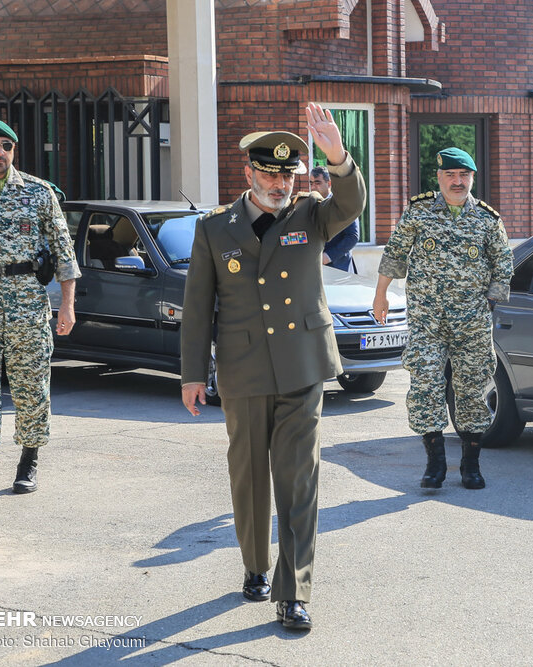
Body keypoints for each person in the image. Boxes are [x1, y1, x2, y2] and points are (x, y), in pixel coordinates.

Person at [180, 103, 366, 631]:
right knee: (249, 478)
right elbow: (198, 308)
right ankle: (256, 567)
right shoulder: (216, 228)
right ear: (248, 173)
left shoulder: (312, 213)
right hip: (242, 370)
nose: (280, 183)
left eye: (287, 173)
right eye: (270, 172)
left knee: (298, 479)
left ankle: (294, 590)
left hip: (303, 366)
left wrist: (336, 154)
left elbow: (352, 201)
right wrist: (194, 373)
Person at [0, 118, 79, 511]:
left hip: (28, 303)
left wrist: (68, 305)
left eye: (6, 146)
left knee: (31, 387)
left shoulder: (39, 194)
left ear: (14, 151)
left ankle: (29, 461)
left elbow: (64, 253)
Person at [372, 147, 513, 490]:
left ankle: (471, 464)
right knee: (425, 388)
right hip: (427, 322)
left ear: (472, 179)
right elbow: (395, 253)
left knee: (473, 391)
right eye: (450, 175)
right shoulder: (419, 212)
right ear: (438, 178)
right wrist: (380, 295)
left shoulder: (487, 219)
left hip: (472, 324)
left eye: (464, 176)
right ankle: (435, 464)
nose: (457, 181)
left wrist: (488, 305)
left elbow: (504, 266)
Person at [310, 165, 360, 273]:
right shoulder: (310, 205)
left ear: (329, 184)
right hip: (315, 269)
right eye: (311, 183)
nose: (313, 187)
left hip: (340, 268)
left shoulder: (343, 204)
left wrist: (328, 256)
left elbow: (352, 236)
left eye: (317, 183)